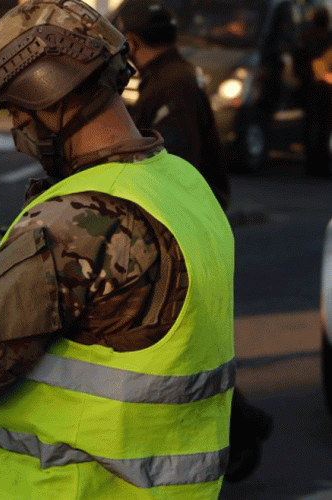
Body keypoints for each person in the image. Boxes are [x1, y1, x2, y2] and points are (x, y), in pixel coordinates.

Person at [0, 1, 235, 498]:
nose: (17, 135)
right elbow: (99, 305)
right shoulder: (180, 184)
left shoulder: (75, 221)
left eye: (17, 110)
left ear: (51, 97)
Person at [112, 0, 271, 483]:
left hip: (181, 228)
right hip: (191, 223)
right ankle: (241, 431)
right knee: (186, 341)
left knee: (182, 343)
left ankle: (242, 432)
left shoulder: (171, 85)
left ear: (133, 43)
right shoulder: (177, 75)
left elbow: (173, 161)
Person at [111, 0, 230, 210]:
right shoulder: (172, 74)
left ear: (132, 41)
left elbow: (173, 156)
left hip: (189, 209)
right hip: (198, 205)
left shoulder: (172, 84)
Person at [295, 5, 332, 177]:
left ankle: (313, 164)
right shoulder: (326, 39)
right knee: (323, 127)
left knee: (313, 126)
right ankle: (321, 165)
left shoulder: (306, 38)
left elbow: (298, 65)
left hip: (311, 88)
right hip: (322, 89)